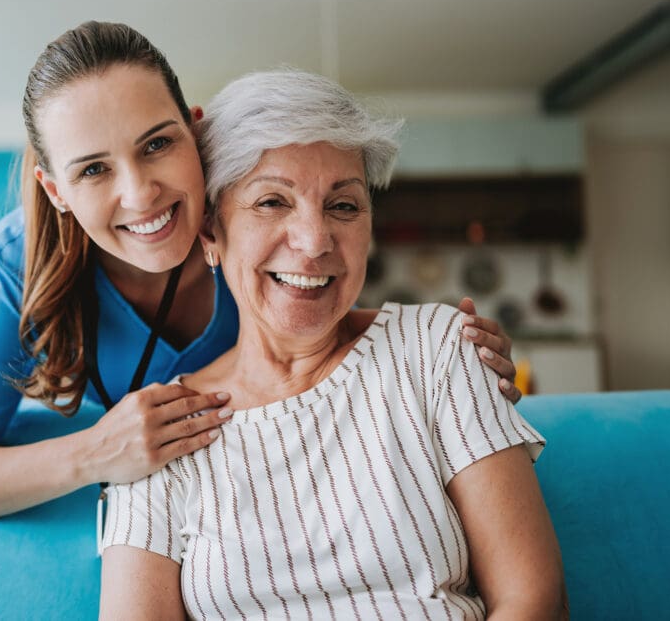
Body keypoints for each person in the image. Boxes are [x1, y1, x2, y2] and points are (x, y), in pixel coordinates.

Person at [0, 22, 520, 518]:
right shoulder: (14, 261)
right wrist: (97, 452)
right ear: (56, 191)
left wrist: (439, 350)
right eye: (93, 170)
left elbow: (312, 323)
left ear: (194, 131)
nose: (141, 194)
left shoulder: (249, 222)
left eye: (157, 145)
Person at [100, 69, 566, 620]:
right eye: (272, 202)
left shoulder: (439, 349)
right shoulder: (159, 432)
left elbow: (533, 601)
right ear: (209, 233)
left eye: (343, 206)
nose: (315, 241)